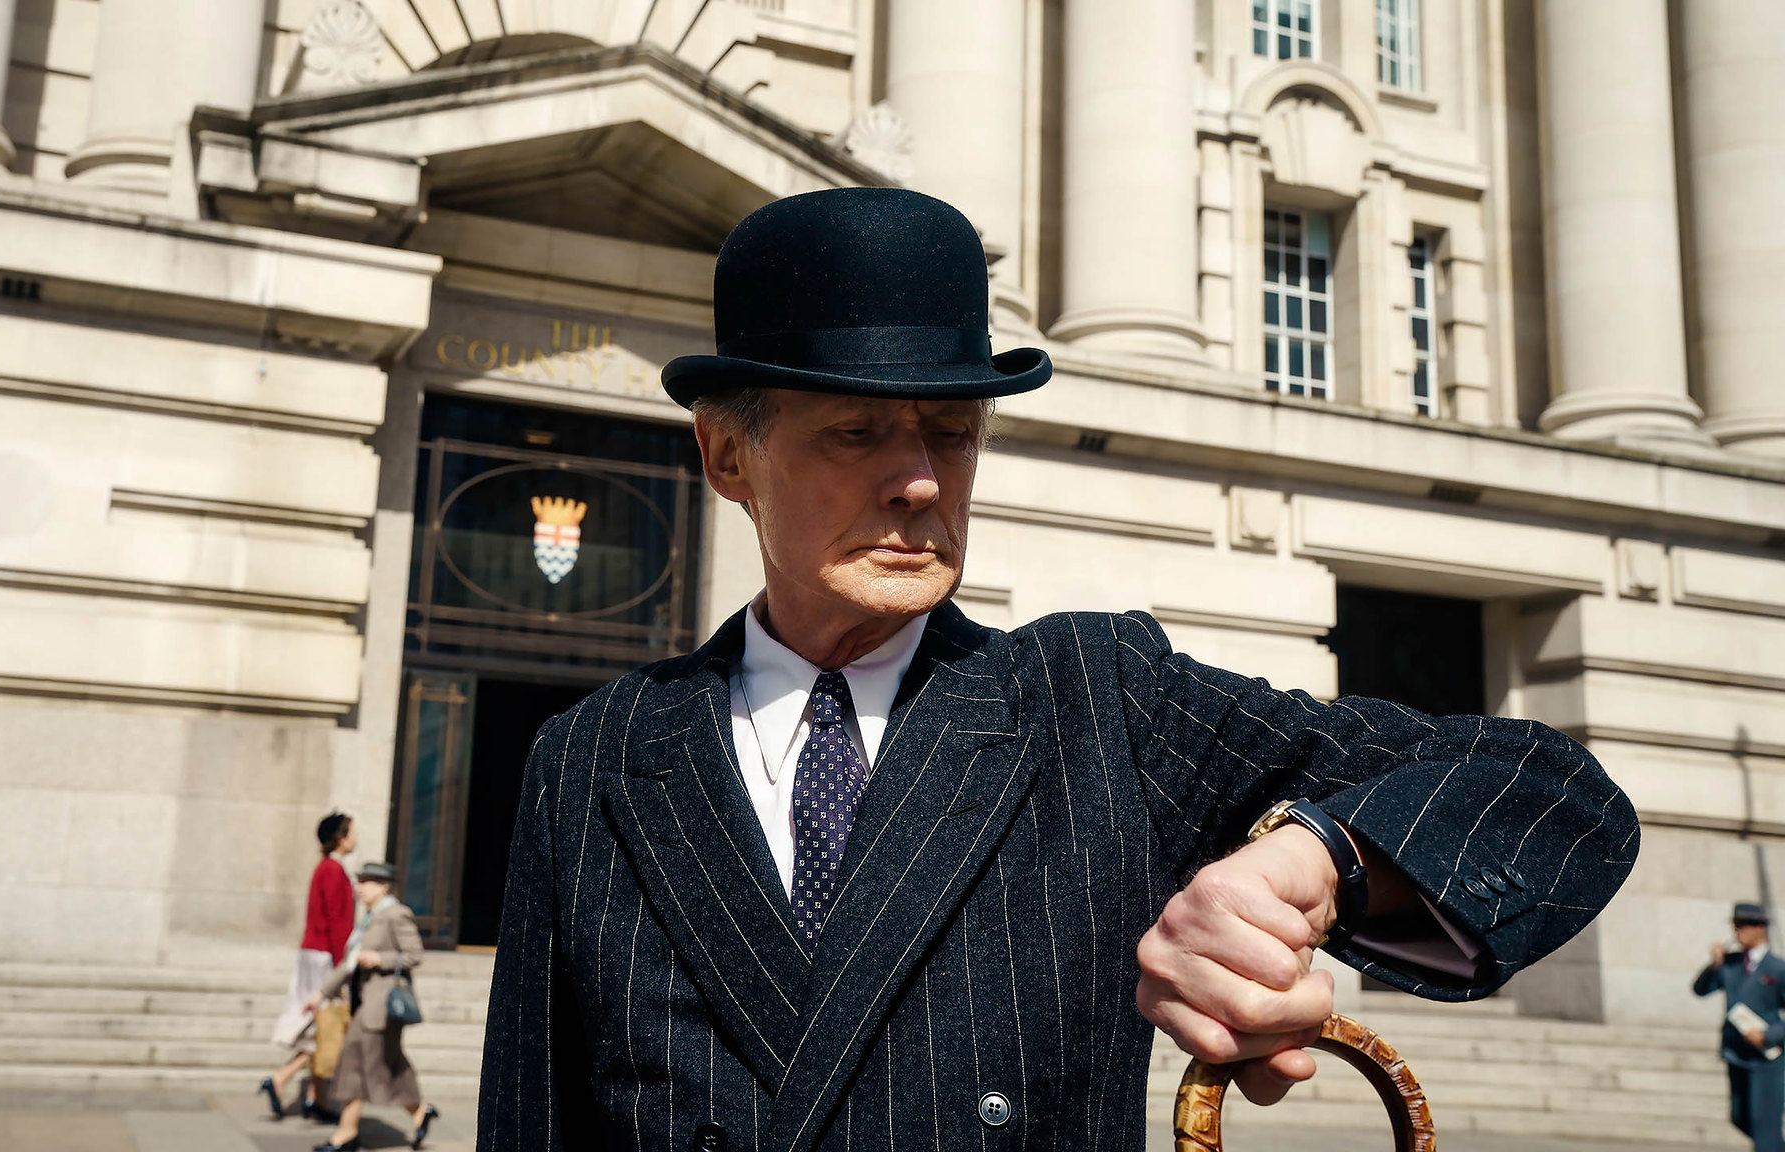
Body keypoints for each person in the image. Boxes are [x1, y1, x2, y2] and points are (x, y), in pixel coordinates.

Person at [475, 187, 1641, 1152]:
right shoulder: (593, 762)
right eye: (856, 432)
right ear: (728, 455)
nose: (921, 479)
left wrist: (1316, 861)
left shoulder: (1092, 701)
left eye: (950, 432)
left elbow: (1541, 790)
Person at [305, 861, 439, 1152]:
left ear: (383, 886)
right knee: (390, 1066)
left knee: (352, 1061)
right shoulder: (368, 918)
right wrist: (321, 993)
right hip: (367, 1002)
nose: (359, 887)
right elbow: (349, 963)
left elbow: (414, 954)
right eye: (359, 881)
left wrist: (381, 959)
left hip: (382, 1004)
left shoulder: (396, 915)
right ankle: (419, 1113)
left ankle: (346, 1133)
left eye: (366, 882)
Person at [261, 811, 357, 1121]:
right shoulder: (331, 870)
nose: (357, 838)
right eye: (352, 833)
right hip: (323, 955)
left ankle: (317, 1098)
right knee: (324, 1024)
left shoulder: (330, 868)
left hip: (318, 952)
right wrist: (342, 963)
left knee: (322, 1024)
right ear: (340, 838)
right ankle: (281, 1079)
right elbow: (334, 919)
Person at [1696, 902, 1785, 1152]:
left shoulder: (1778, 968)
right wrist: (1713, 965)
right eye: (1736, 926)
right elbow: (1700, 990)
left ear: (1760, 928)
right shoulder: (1730, 964)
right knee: (1740, 1117)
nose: (1738, 932)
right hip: (1736, 1054)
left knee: (1766, 1130)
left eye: (1744, 926)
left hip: (1767, 1059)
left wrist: (1769, 1034)